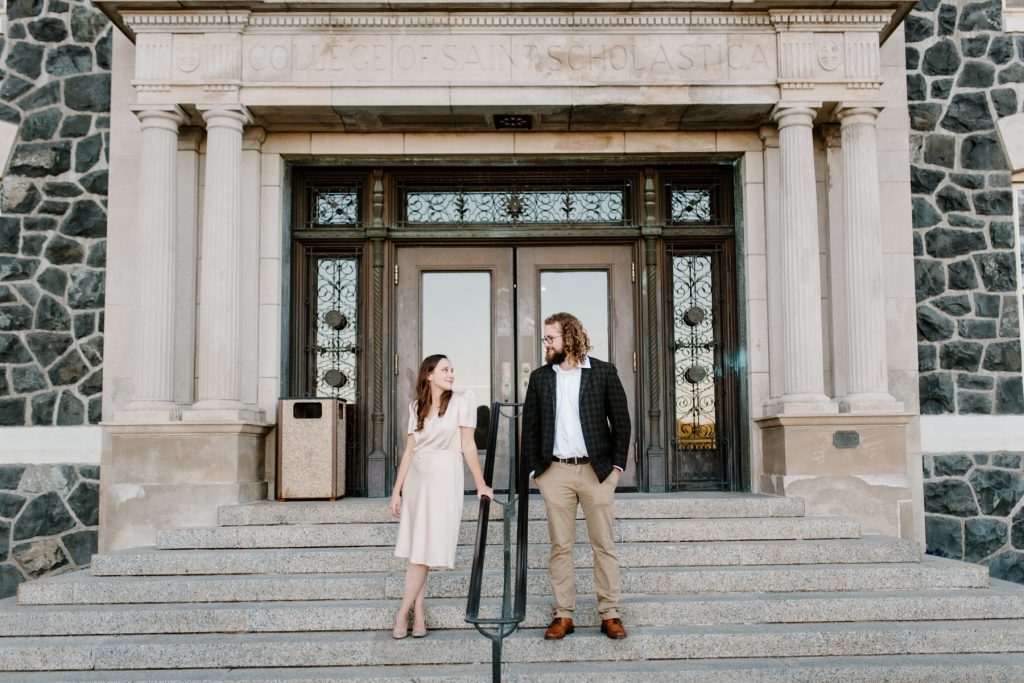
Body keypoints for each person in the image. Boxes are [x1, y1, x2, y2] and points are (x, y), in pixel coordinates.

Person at [522, 312, 631, 640]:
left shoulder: (603, 372)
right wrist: (536, 472)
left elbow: (622, 423)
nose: (547, 343)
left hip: (596, 471)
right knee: (561, 546)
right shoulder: (541, 378)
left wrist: (615, 470)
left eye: (551, 337)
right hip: (554, 472)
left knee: (603, 544)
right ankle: (563, 614)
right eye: (545, 338)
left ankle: (610, 613)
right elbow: (530, 428)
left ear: (569, 337)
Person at [390, 354, 494, 639]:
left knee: (424, 552)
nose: (451, 374)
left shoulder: (462, 401)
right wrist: (396, 490)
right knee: (418, 550)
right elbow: (409, 450)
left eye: (452, 369)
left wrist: (481, 483)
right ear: (429, 375)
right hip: (417, 480)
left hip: (445, 478)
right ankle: (418, 612)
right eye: (445, 369)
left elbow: (468, 445)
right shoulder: (416, 407)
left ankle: (401, 613)